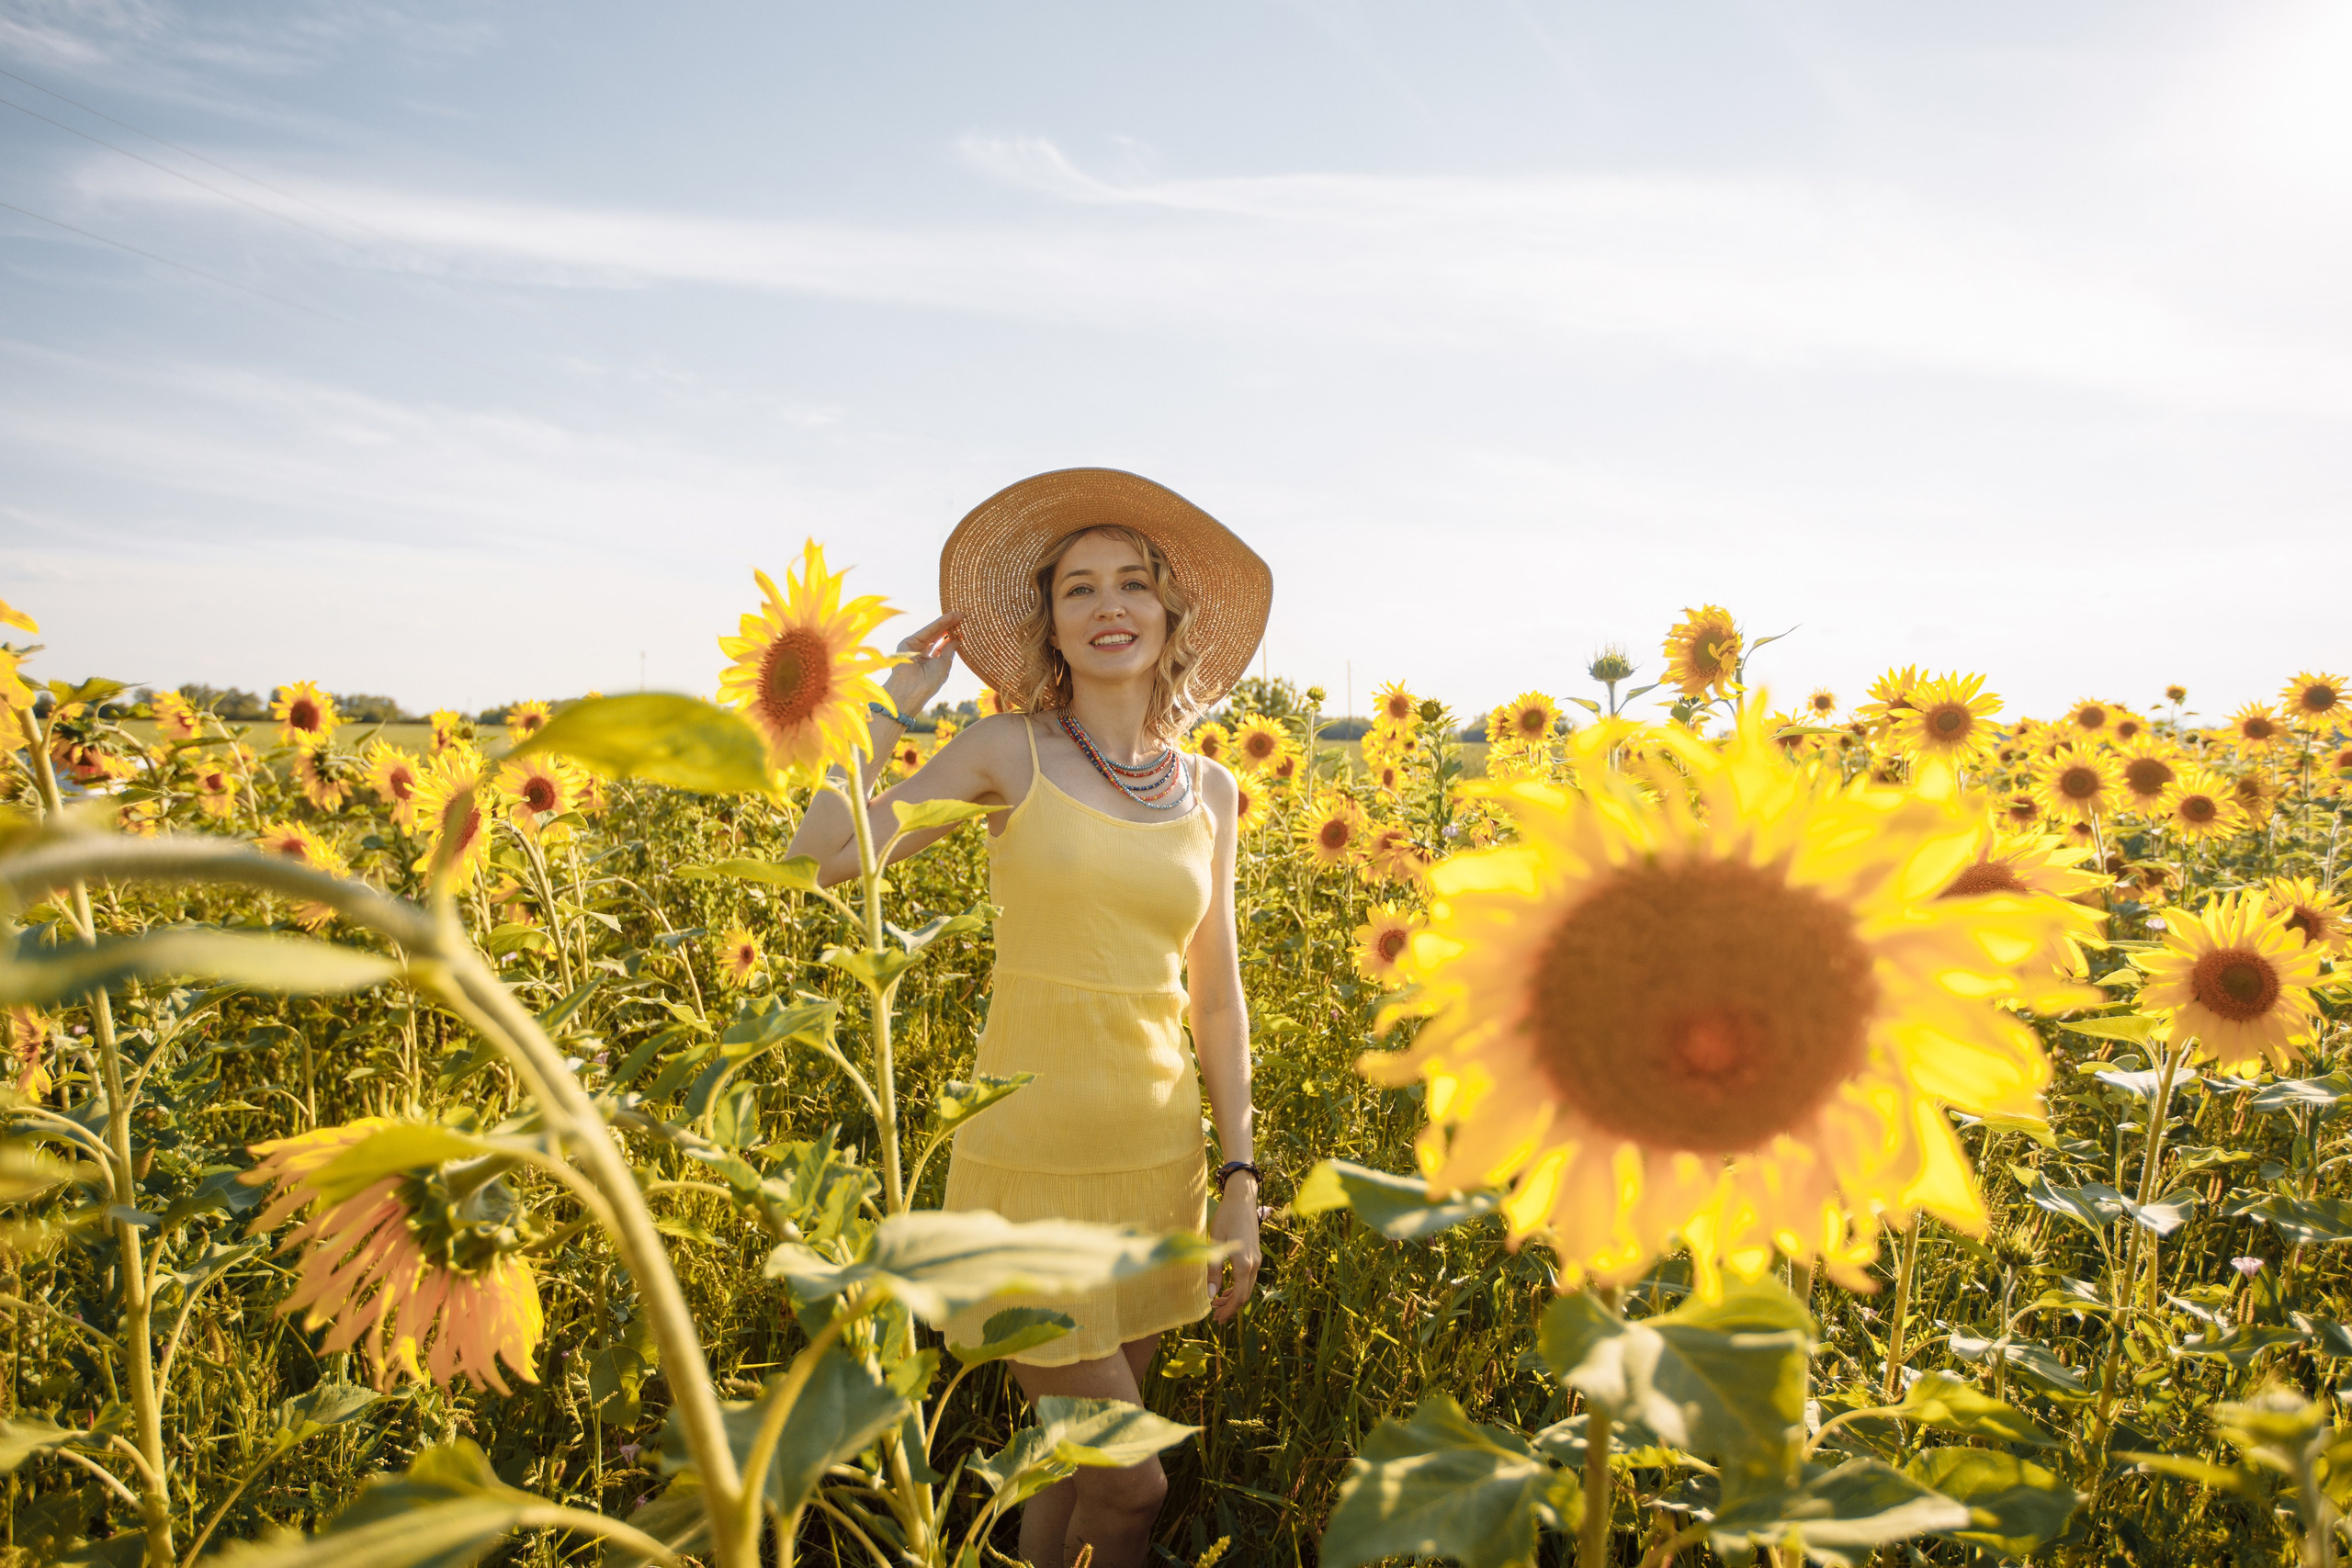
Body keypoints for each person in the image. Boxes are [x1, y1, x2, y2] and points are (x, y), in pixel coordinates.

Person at [786, 468, 1272, 1568]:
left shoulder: (1210, 791)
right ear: (1049, 625)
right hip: (1026, 1170)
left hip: (1159, 1164)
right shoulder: (1008, 753)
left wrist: (1240, 1180)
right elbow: (823, 860)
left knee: (1071, 1480)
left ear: (1168, 615)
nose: (1109, 608)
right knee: (1135, 1488)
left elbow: (1218, 991)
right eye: (1079, 590)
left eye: (1133, 586)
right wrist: (889, 709)